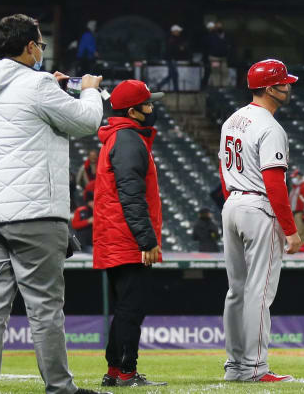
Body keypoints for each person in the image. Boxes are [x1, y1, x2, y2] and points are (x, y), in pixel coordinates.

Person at [0, 14, 106, 394]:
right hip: (35, 212)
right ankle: (59, 387)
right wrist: (86, 89)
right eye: (40, 42)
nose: (42, 49)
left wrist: (52, 90)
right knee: (44, 308)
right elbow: (86, 121)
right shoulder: (38, 83)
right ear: (28, 47)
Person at [219, 59, 302, 382]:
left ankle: (235, 366)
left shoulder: (232, 120)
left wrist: (235, 199)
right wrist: (291, 230)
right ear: (271, 88)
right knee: (259, 292)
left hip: (233, 203)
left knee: (236, 292)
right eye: (285, 81)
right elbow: (274, 184)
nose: (289, 86)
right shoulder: (269, 126)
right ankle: (254, 367)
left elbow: (223, 172)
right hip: (258, 205)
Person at [93, 80, 166, 388]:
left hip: (115, 236)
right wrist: (146, 240)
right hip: (126, 239)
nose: (153, 109)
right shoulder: (128, 140)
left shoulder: (121, 137)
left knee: (124, 308)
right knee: (132, 309)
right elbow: (131, 195)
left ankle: (114, 372)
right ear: (134, 111)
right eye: (148, 105)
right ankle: (126, 372)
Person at [157, 25, 190, 92]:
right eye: (178, 31)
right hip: (171, 59)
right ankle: (173, 89)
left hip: (171, 58)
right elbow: (171, 49)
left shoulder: (173, 38)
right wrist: (179, 48)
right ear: (174, 31)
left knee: (172, 75)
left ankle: (163, 86)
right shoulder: (172, 38)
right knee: (174, 74)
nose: (179, 32)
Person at [205, 21, 230, 88]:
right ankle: (217, 87)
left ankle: (225, 86)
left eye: (220, 26)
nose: (219, 27)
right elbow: (208, 45)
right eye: (218, 26)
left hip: (223, 58)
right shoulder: (211, 35)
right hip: (214, 58)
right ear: (215, 27)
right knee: (216, 72)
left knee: (224, 72)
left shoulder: (225, 35)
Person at [289, 170, 304, 242]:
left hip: (300, 211)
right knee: (297, 229)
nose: (293, 179)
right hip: (295, 211)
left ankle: (303, 245)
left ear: (299, 176)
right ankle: (300, 244)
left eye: (295, 177)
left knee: (300, 229)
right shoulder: (296, 186)